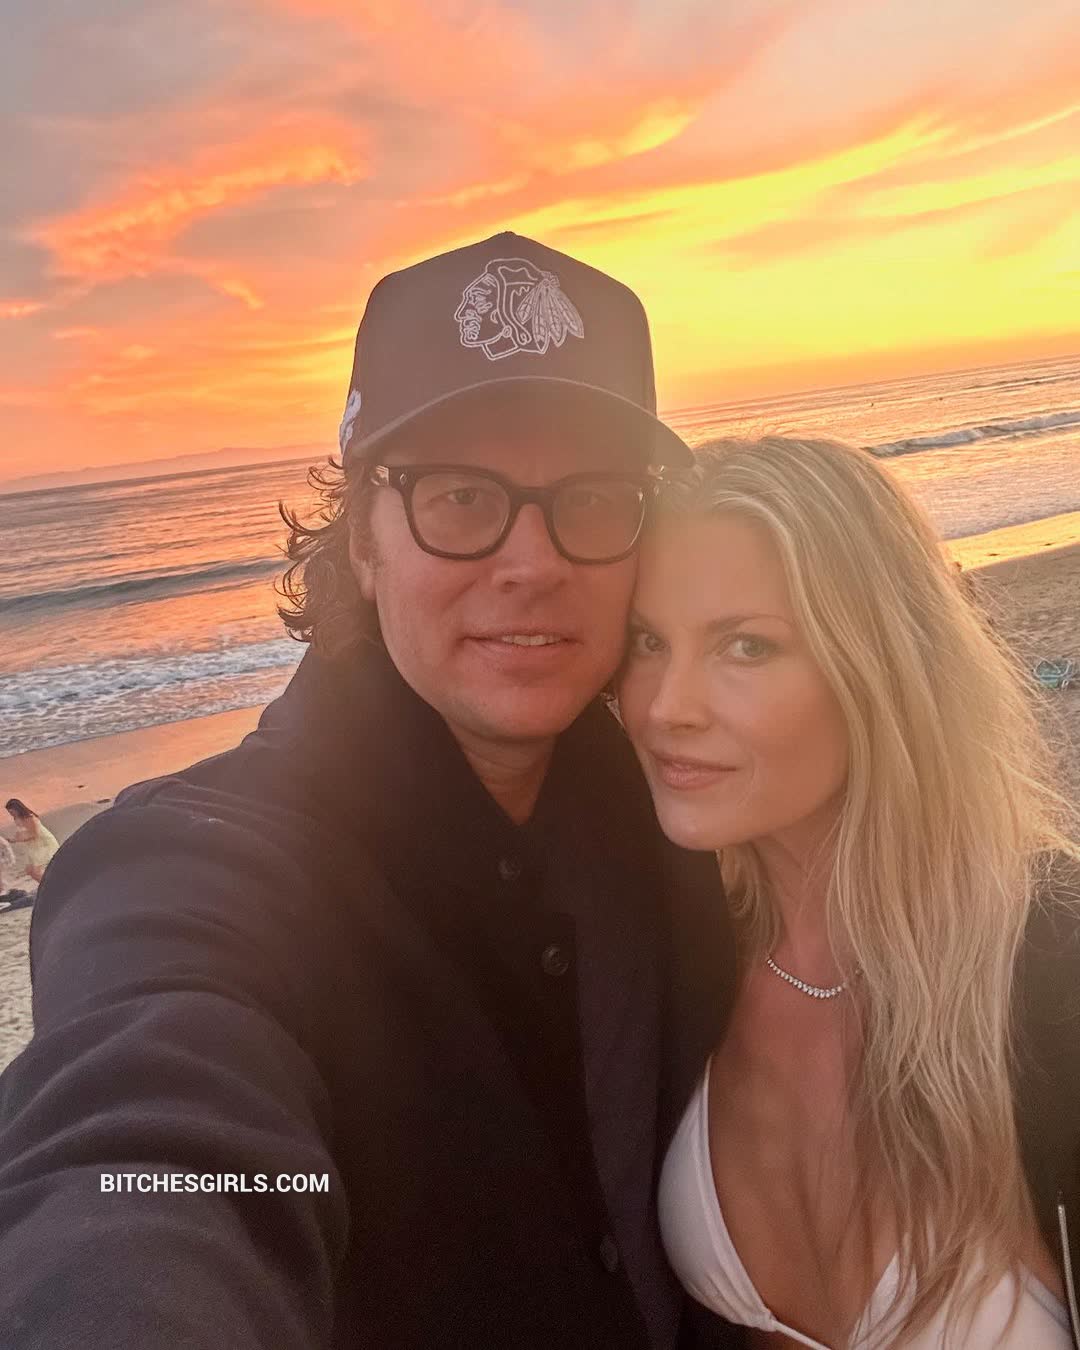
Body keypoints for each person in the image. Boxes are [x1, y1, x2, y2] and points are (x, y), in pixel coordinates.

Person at [0, 234, 741, 1349]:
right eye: (460, 496)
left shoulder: (692, 805)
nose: (533, 561)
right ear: (361, 542)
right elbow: (144, 1157)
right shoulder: (201, 865)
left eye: (591, 497)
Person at [616, 436, 1080, 1348]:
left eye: (746, 645)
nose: (666, 705)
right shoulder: (675, 967)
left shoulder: (1050, 966)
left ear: (879, 663)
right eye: (648, 642)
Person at [4, 799, 59, 885]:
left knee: (34, 870)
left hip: (43, 843)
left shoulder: (30, 817)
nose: (11, 814)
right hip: (34, 846)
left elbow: (35, 834)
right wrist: (13, 839)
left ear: (17, 809)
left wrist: (19, 839)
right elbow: (22, 832)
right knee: (30, 870)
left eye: (12, 811)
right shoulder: (18, 819)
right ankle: (46, 885)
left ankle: (49, 885)